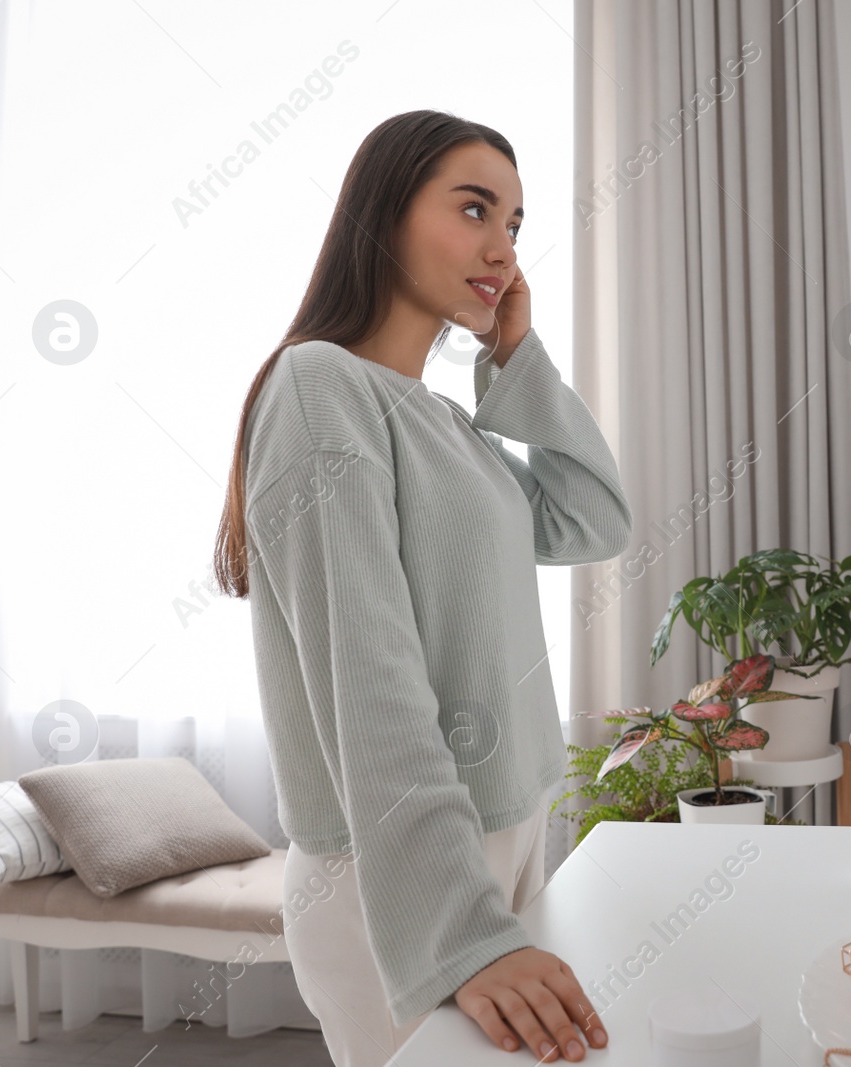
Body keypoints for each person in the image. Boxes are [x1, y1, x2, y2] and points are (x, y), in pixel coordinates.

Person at [211, 110, 629, 1066]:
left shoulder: (444, 419)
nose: (503, 248)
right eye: (475, 208)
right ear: (383, 215)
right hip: (397, 876)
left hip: (509, 834)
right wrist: (462, 930)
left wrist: (516, 360)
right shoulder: (320, 386)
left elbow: (594, 517)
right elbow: (371, 681)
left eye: (516, 224)